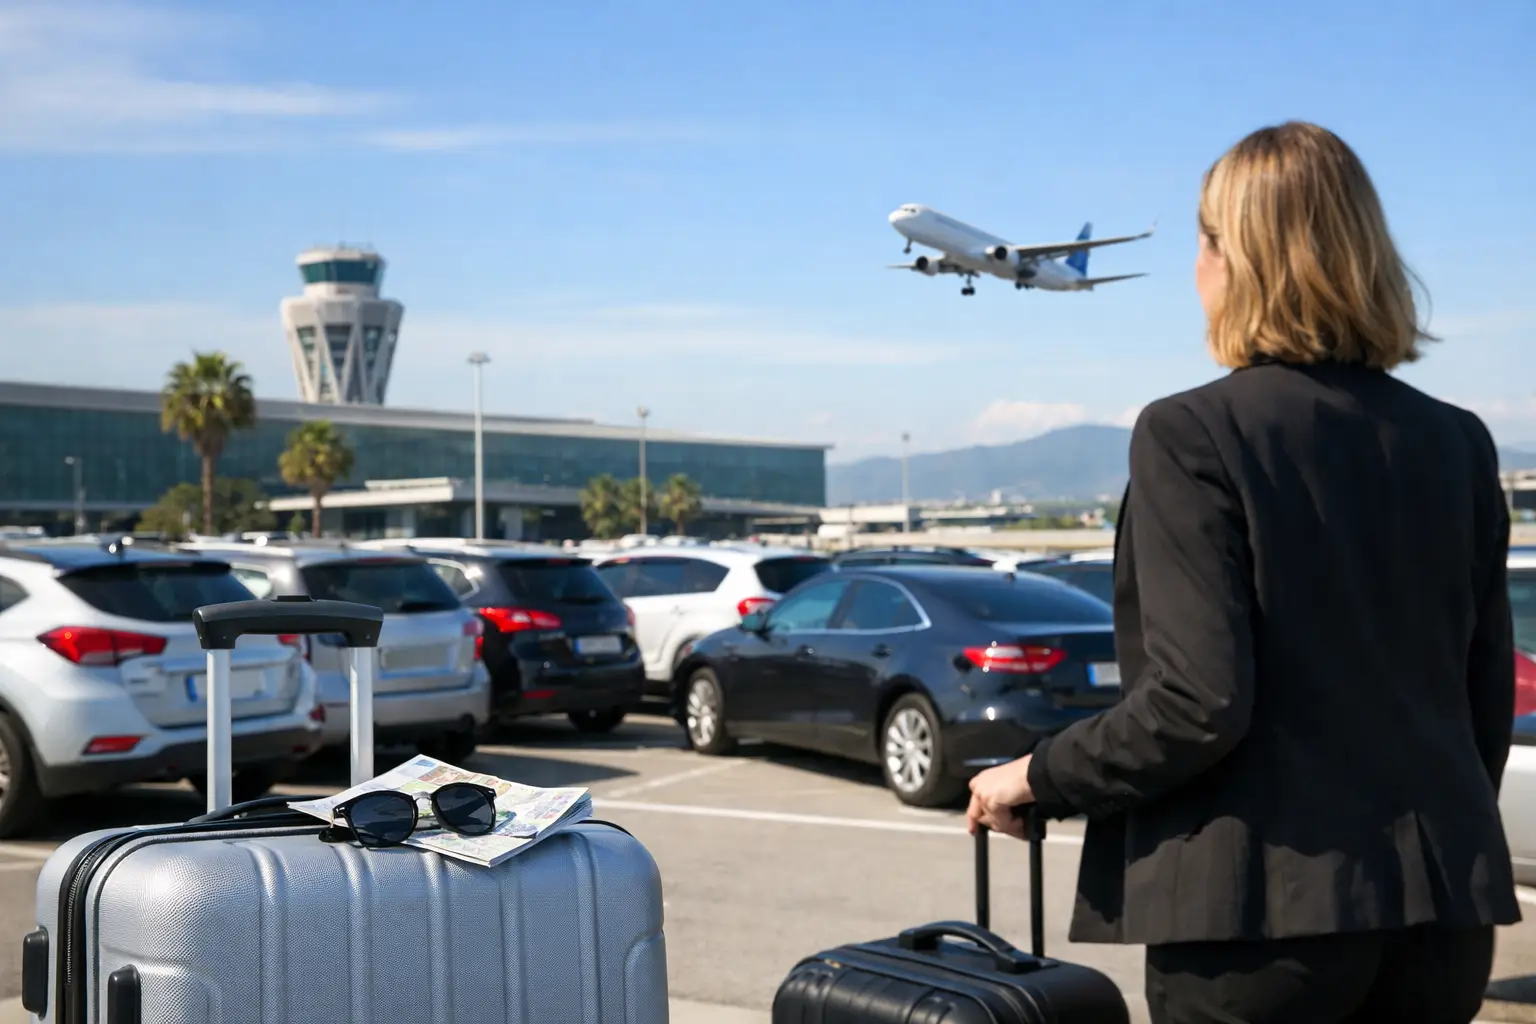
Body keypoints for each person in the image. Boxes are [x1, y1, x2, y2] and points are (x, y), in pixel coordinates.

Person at [966, 121, 1520, 1024]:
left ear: (1237, 259)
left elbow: (1197, 701)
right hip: (1441, 920)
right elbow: (1481, 700)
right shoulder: (1457, 442)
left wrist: (1037, 774)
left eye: (1204, 238)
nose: (1196, 265)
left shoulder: (1192, 434)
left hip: (1260, 923)